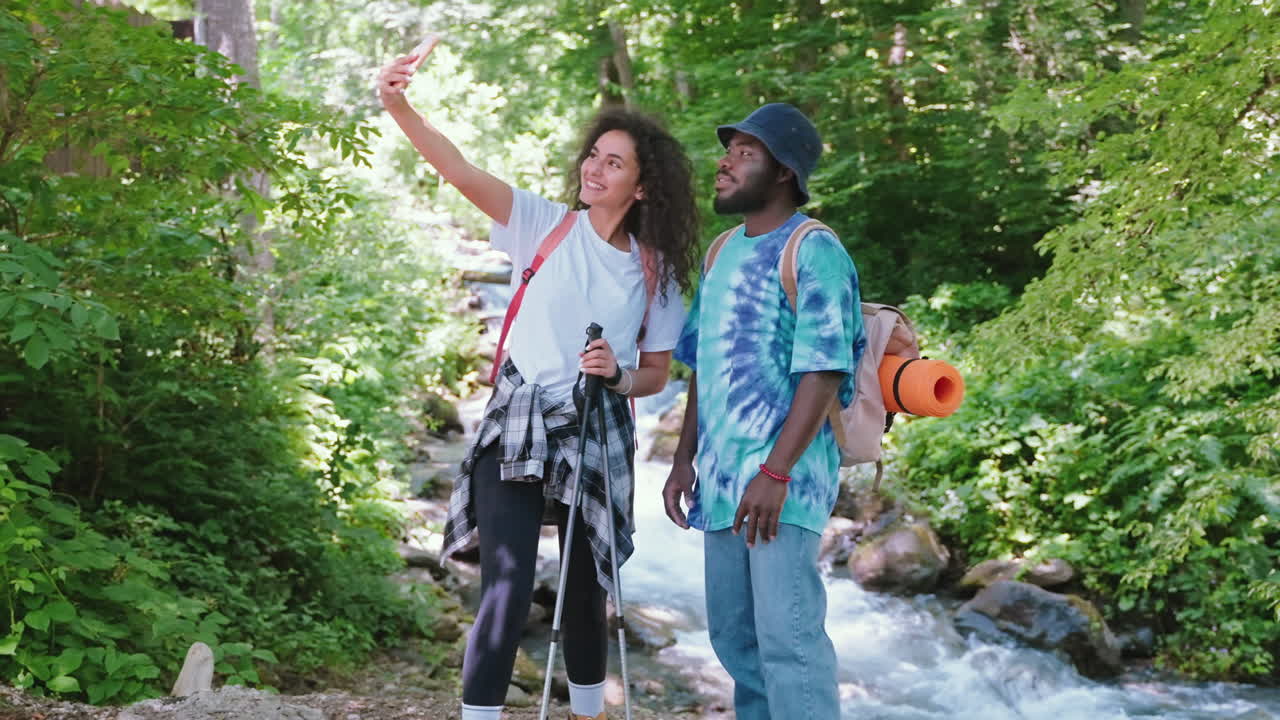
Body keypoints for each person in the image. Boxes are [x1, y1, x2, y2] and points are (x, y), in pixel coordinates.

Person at [376, 39, 699, 720]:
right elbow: (457, 169)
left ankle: (587, 712)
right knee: (506, 584)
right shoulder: (542, 225)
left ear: (641, 187)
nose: (595, 168)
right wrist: (397, 104)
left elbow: (656, 376)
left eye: (615, 163)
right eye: (593, 155)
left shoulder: (657, 272)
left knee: (586, 590)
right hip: (519, 416)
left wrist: (616, 374)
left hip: (595, 423)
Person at [662, 103, 864, 719]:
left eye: (744, 153)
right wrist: (681, 460)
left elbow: (824, 369)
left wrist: (774, 473)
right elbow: (704, 362)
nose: (724, 163)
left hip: (785, 482)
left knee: (790, 646)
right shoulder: (721, 251)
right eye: (729, 151)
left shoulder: (813, 249)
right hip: (723, 484)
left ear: (783, 173)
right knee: (736, 644)